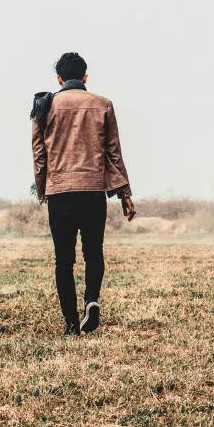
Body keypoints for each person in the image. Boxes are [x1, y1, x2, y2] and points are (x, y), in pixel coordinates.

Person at [31, 52, 136, 336]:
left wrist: (43, 190)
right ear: (85, 77)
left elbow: (39, 155)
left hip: (60, 193)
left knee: (63, 261)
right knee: (94, 253)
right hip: (93, 192)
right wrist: (125, 192)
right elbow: (114, 152)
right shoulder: (103, 105)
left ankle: (70, 325)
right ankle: (91, 299)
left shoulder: (45, 105)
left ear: (59, 79)